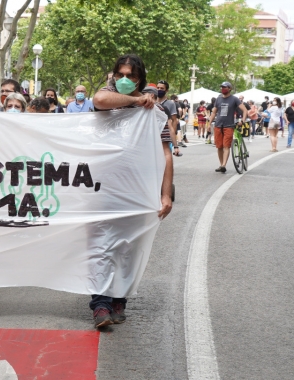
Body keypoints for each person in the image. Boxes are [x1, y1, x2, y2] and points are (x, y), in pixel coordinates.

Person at [91, 54, 172, 329]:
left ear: (140, 77)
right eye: (120, 74)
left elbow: (166, 154)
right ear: (114, 75)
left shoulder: (155, 114)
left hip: (139, 189)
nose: (125, 80)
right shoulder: (109, 100)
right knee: (103, 244)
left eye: (132, 76)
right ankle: (100, 304)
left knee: (129, 246)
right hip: (103, 188)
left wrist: (165, 194)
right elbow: (100, 100)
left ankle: (118, 300)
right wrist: (137, 100)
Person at [205, 81, 247, 172]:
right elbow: (214, 112)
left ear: (229, 89)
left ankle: (224, 164)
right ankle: (221, 165)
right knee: (219, 146)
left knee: (226, 146)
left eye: (224, 87)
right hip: (218, 125)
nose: (222, 89)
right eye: (221, 87)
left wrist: (242, 121)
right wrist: (209, 124)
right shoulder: (218, 99)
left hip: (229, 125)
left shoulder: (234, 99)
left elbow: (245, 110)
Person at [156, 80, 181, 157]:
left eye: (162, 88)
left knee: (165, 156)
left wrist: (171, 136)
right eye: (158, 88)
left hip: (165, 135)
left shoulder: (170, 104)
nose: (159, 90)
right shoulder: (153, 102)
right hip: (154, 133)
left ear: (166, 90)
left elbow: (174, 120)